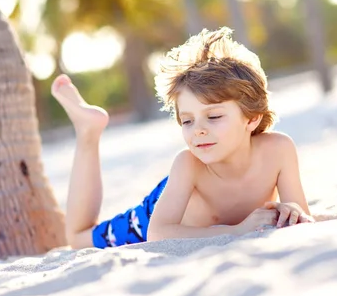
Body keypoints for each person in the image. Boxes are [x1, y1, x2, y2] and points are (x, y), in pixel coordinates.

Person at [51, 27, 315, 249]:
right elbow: (158, 234)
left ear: (252, 118)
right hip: (152, 216)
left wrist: (291, 212)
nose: (197, 130)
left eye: (213, 117)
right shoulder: (189, 164)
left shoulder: (279, 150)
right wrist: (237, 230)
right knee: (78, 238)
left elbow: (300, 214)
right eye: (187, 121)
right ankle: (88, 131)